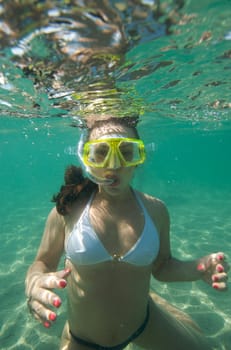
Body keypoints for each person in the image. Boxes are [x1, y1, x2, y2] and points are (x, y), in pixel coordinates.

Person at [25, 116, 229, 350]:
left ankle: (151, 300)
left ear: (138, 160)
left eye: (127, 152)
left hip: (144, 322)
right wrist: (33, 283)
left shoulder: (156, 210)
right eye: (101, 152)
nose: (113, 165)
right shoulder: (69, 211)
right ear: (87, 160)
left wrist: (198, 268)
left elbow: (162, 266)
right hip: (83, 339)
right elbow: (42, 262)